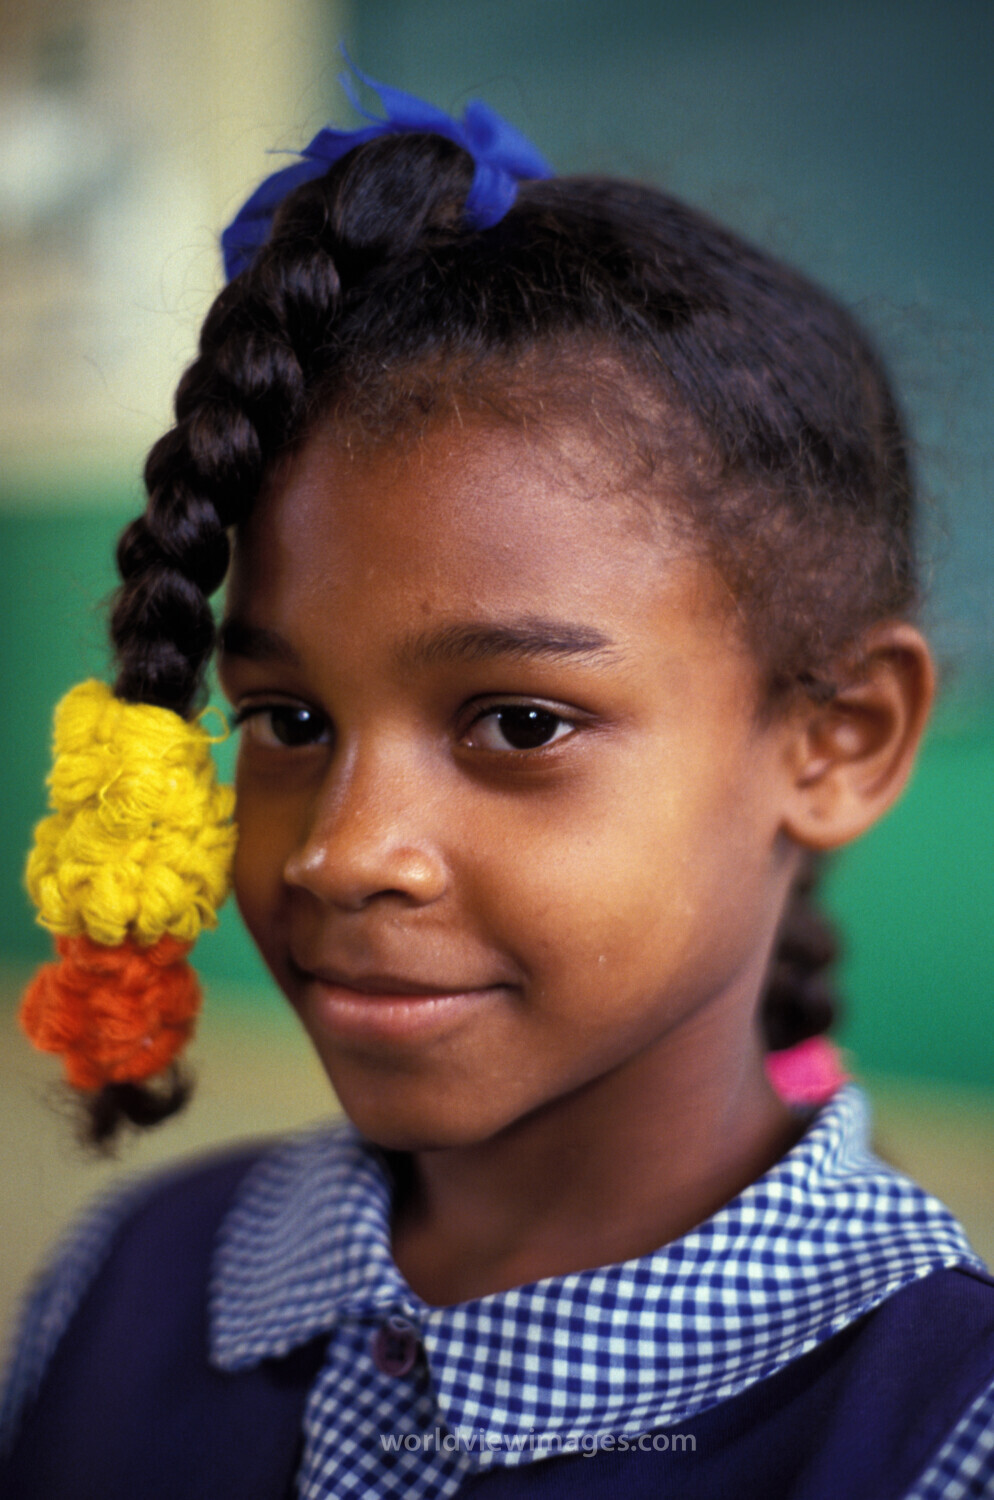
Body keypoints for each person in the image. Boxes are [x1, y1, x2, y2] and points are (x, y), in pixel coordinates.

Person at [1, 68, 991, 1500]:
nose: (342, 854)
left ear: (837, 737)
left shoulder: (937, 1430)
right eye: (283, 717)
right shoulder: (128, 1274)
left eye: (517, 724)